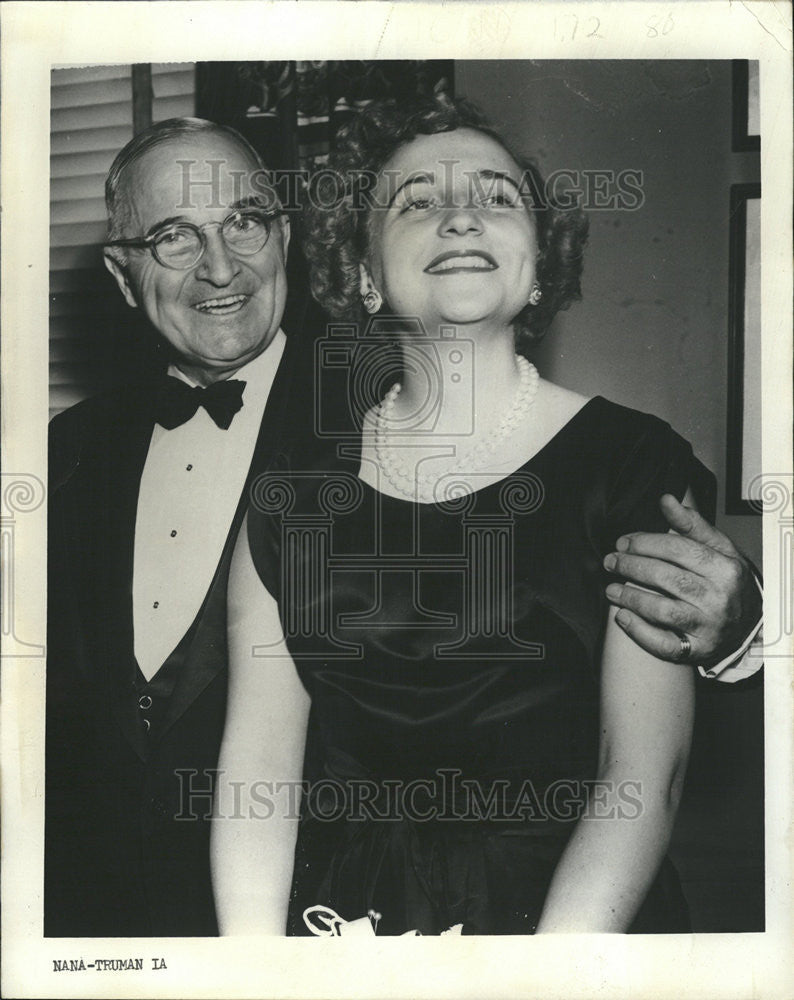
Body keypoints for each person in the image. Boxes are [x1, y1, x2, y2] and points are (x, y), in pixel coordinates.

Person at [46, 111, 759, 938]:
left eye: (497, 196)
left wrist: (756, 628)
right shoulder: (76, 456)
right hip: (249, 920)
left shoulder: (626, 458)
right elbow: (253, 767)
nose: (219, 266)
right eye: (175, 235)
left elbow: (644, 770)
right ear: (364, 275)